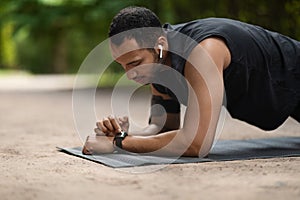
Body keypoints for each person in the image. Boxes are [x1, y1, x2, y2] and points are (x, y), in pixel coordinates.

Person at [82, 6, 300, 157]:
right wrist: (123, 134)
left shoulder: (204, 50)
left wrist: (118, 144)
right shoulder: (158, 64)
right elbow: (162, 126)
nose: (130, 74)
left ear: (159, 46)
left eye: (135, 63)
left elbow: (196, 144)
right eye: (123, 65)